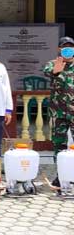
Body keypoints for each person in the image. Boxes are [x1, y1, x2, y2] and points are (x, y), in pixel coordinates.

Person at [43, 36, 74, 188]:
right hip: (58, 113)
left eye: (70, 46)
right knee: (59, 146)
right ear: (59, 49)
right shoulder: (52, 64)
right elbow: (48, 72)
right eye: (64, 46)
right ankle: (61, 175)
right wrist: (56, 70)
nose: (68, 49)